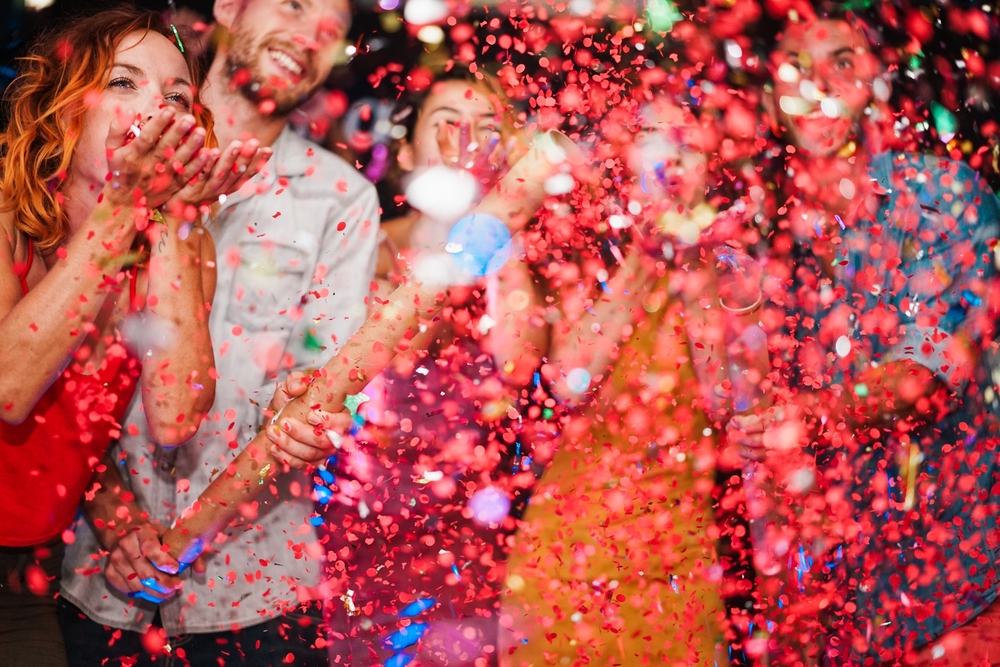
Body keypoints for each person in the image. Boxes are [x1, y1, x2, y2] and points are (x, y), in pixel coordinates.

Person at [57, 0, 380, 665]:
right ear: (230, 5)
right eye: (293, 4)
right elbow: (51, 370)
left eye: (333, 29)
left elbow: (319, 379)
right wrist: (115, 515)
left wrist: (309, 417)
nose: (309, 34)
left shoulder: (342, 198)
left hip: (259, 597)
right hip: (100, 583)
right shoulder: (98, 142)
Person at [728, 13, 1000, 664]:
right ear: (768, 93)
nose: (820, 85)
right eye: (798, 66)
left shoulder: (942, 195)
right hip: (846, 605)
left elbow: (928, 367)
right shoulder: (763, 241)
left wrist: (810, 417)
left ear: (876, 82)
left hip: (965, 585)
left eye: (843, 62)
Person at [0, 6, 267, 666]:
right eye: (124, 83)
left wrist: (173, 217)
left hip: (22, 572)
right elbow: (8, 389)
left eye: (178, 95)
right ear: (65, 112)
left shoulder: (175, 244)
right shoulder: (6, 217)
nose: (159, 107)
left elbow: (171, 416)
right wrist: (125, 208)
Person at [319, 70, 548, 667]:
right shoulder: (358, 243)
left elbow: (520, 362)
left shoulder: (508, 260)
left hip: (464, 534)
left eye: (485, 128)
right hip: (352, 529)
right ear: (403, 147)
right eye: (446, 120)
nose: (463, 140)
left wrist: (496, 223)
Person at [499, 94, 733, 666]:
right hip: (572, 546)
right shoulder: (589, 254)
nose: (668, 154)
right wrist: (640, 261)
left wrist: (697, 269)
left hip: (682, 550)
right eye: (652, 134)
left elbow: (728, 399)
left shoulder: (737, 266)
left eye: (686, 138)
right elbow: (569, 382)